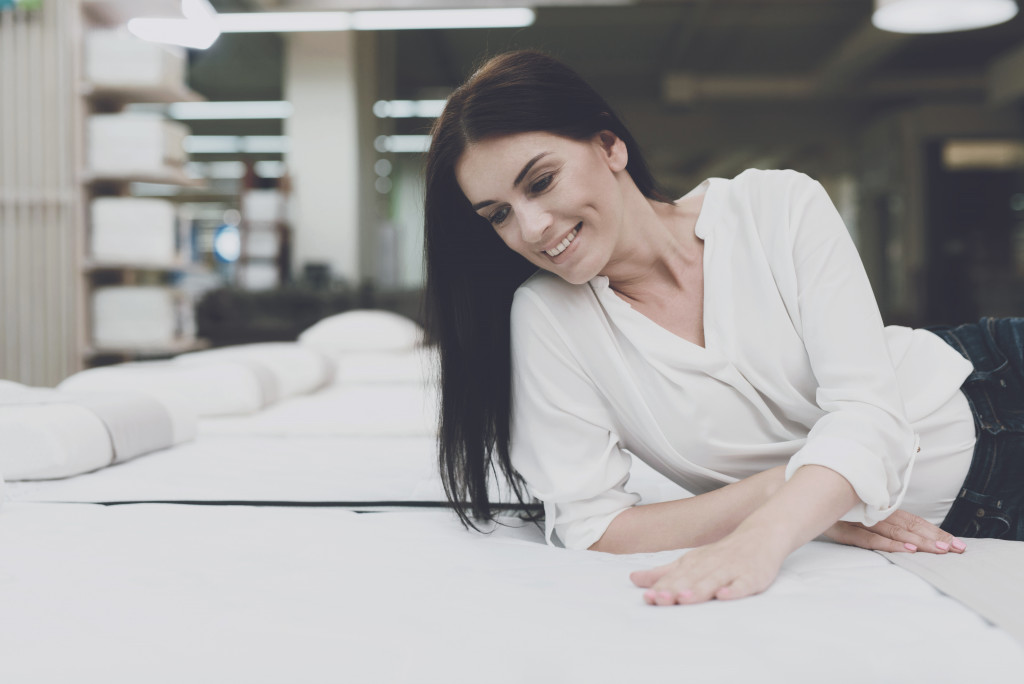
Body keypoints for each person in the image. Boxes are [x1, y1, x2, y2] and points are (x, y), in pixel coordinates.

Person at [423, 50, 1024, 606]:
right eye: (498, 214)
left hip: (991, 376)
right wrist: (775, 495)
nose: (529, 228)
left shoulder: (776, 205)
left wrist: (766, 536)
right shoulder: (549, 321)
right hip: (978, 514)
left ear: (609, 146)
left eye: (541, 181)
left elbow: (870, 415)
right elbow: (592, 526)